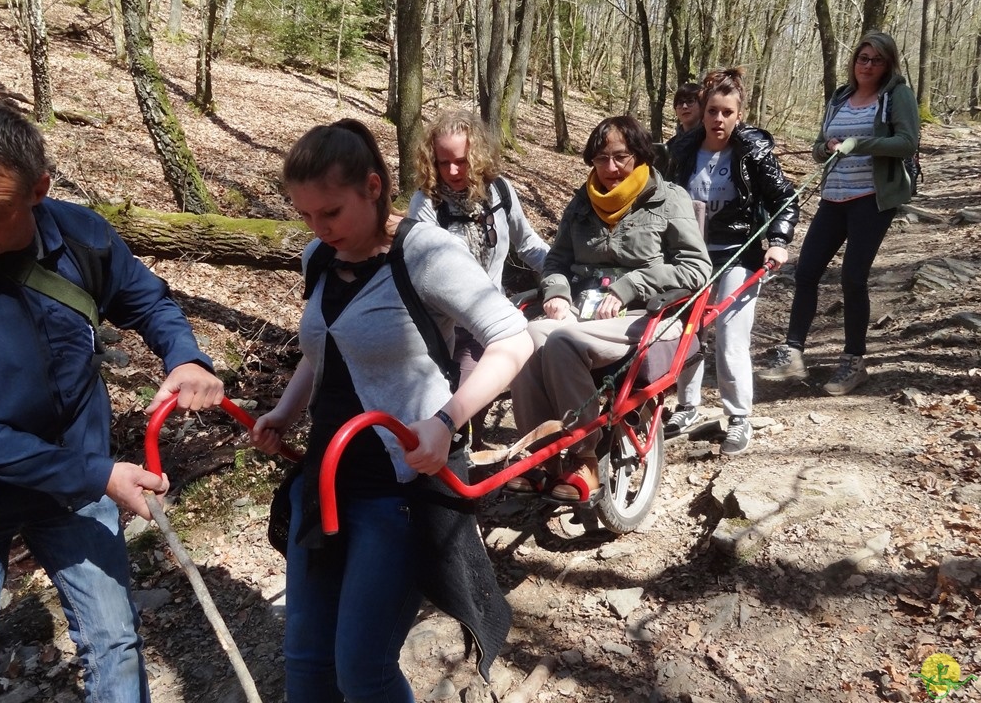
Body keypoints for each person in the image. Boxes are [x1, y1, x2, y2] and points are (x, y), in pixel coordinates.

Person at [249, 119, 533, 702]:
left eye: (330, 213)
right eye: (305, 215)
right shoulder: (318, 259)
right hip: (324, 483)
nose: (317, 228)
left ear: (373, 188)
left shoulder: (425, 253)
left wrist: (446, 421)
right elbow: (325, 350)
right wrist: (283, 411)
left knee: (363, 670)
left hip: (400, 494)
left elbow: (513, 339)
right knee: (305, 663)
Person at [0, 100, 225, 703]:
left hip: (77, 487)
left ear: (38, 191)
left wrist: (185, 357)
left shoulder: (82, 238)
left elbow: (148, 303)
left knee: (113, 641)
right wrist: (98, 472)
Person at [509, 115, 711, 500]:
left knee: (563, 341)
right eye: (602, 158)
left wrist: (630, 285)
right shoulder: (583, 202)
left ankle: (586, 457)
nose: (611, 168)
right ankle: (539, 457)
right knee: (528, 336)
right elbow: (556, 261)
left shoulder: (668, 198)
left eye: (621, 157)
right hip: (582, 309)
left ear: (639, 155)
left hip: (644, 314)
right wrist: (555, 292)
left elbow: (697, 268)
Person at [755, 30, 920, 395]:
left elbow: (907, 141)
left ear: (887, 63)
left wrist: (859, 144)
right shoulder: (840, 96)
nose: (868, 65)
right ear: (854, 61)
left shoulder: (897, 95)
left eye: (876, 60)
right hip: (833, 196)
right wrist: (826, 147)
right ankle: (793, 351)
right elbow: (818, 145)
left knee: (853, 278)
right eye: (863, 58)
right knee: (808, 270)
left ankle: (853, 361)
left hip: (872, 198)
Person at [665, 69, 798, 455]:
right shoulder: (681, 151)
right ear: (701, 113)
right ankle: (686, 407)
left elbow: (785, 200)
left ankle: (739, 416)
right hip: (689, 255)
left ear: (739, 114)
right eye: (711, 111)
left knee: (730, 332)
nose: (718, 119)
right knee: (684, 332)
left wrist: (778, 240)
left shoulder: (753, 152)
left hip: (738, 251)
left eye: (726, 112)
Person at [408, 110, 549, 446]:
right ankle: (460, 466)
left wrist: (561, 274)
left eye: (461, 160)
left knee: (479, 403)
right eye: (443, 163)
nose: (453, 171)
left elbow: (528, 244)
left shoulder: (499, 192)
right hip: (446, 329)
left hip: (492, 322)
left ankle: (486, 454)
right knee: (455, 411)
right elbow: (417, 272)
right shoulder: (427, 204)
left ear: (477, 155)